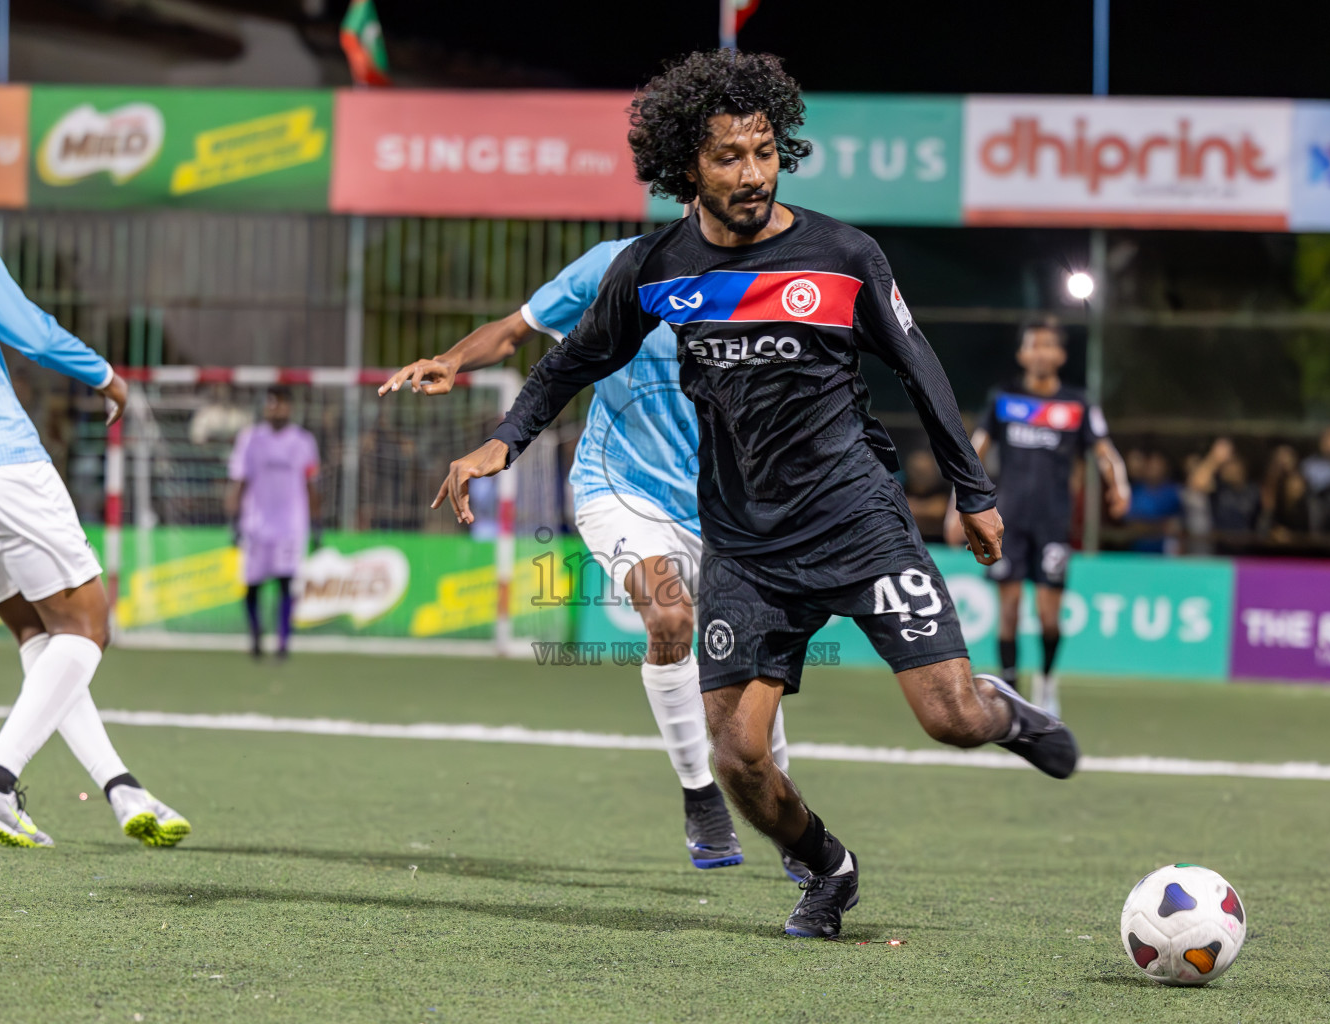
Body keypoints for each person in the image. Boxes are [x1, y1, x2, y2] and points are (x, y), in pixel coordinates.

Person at [431, 51, 1077, 939]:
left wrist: (973, 489)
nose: (752, 174)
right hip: (743, 542)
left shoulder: (845, 255)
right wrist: (500, 443)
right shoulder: (656, 267)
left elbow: (919, 366)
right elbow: (571, 362)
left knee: (951, 719)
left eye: (765, 152)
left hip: (858, 519)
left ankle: (1002, 710)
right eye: (729, 157)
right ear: (684, 168)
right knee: (738, 757)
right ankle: (827, 869)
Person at [380, 234, 798, 878]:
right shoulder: (613, 265)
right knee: (669, 620)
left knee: (747, 688)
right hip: (620, 486)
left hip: (726, 509)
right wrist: (453, 358)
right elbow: (515, 330)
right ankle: (698, 793)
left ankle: (790, 824)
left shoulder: (769, 281)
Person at [0, 147, 189, 848]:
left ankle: (122, 788)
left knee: (40, 636)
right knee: (89, 629)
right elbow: (22, 322)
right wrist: (104, 374)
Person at [962, 318, 1128, 716]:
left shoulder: (1077, 403)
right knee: (1010, 609)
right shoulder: (1004, 398)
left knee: (1049, 617)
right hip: (1009, 521)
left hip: (1054, 523)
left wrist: (1118, 484)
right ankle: (1010, 691)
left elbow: (1104, 450)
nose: (1041, 352)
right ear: (1022, 353)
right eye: (1033, 345)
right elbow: (975, 448)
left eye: (1048, 345)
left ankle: (1048, 682)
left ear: (1060, 355)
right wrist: (963, 499)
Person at [225, 386, 320, 659]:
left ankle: (283, 642)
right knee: (252, 585)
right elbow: (240, 480)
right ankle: (255, 635)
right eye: (272, 403)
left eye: (282, 403)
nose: (276, 408)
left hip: (291, 524)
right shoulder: (250, 439)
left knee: (285, 583)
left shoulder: (304, 441)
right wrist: (234, 519)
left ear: (291, 407)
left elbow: (311, 485)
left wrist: (317, 525)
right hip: (256, 524)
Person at [1125, 451, 1184, 553]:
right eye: (1151, 465)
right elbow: (1131, 523)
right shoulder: (1136, 491)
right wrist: (1158, 527)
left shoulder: (1174, 492)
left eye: (1158, 465)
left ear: (1165, 467)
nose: (1154, 468)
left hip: (1167, 556)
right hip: (1138, 554)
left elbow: (1177, 525)